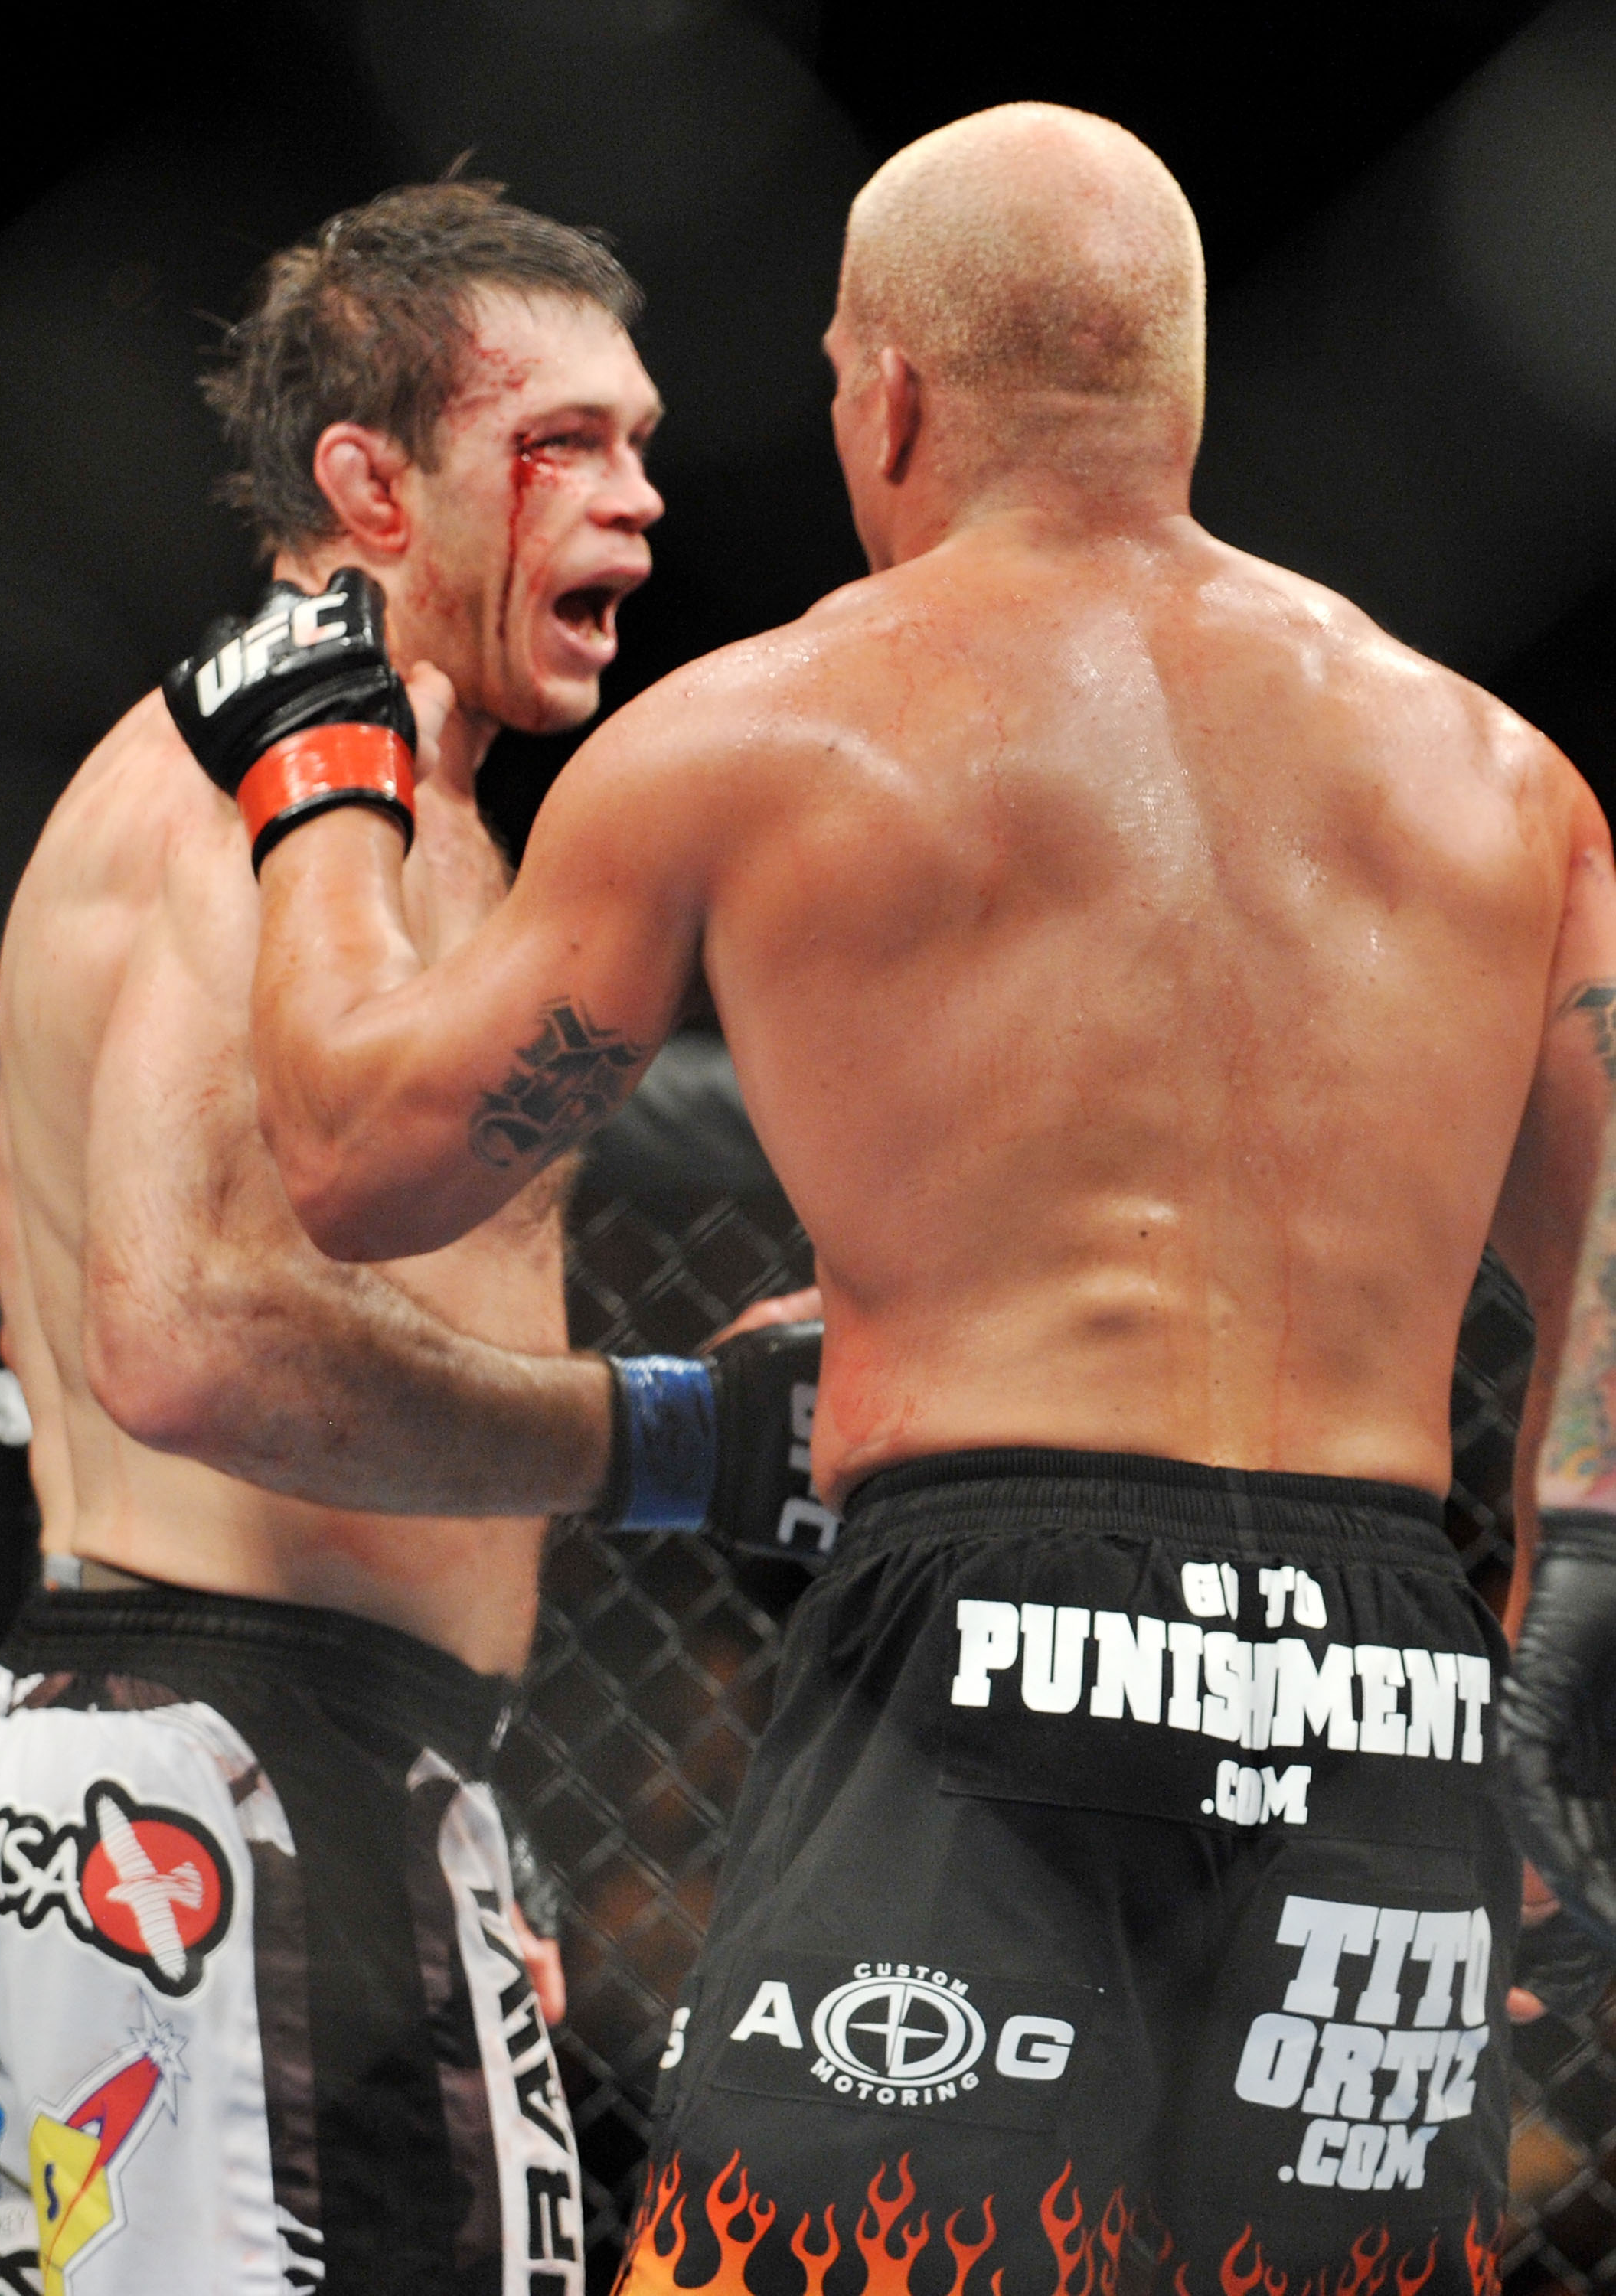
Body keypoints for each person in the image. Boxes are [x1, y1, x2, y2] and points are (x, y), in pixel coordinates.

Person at [216, 106, 1616, 2289]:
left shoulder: (764, 729)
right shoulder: (1506, 782)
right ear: (1192, 381)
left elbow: (359, 1158)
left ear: (887, 392)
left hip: (998, 1636)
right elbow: (1606, 1268)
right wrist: (1561, 1611)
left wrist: (312, 767)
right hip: (1380, 1680)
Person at [0, 175, 819, 2296]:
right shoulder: (264, 795)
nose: (640, 499)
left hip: (296, 1779)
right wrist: (687, 1436)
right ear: (369, 486)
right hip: (224, 1782)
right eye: (561, 445)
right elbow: (193, 1338)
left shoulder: (435, 827)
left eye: (647, 441)